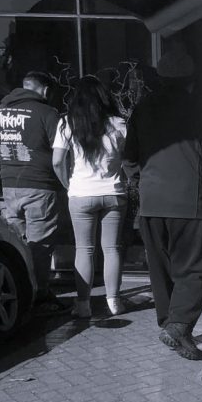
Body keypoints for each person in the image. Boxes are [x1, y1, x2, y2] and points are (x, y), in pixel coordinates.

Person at [122, 50, 202, 360]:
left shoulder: (142, 109)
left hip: (151, 203)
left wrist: (140, 180)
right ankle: (178, 326)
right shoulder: (200, 109)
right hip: (188, 201)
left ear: (160, 79)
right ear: (190, 80)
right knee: (193, 269)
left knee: (161, 271)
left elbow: (129, 156)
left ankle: (175, 328)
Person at [52, 75, 129, 319]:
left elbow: (56, 161)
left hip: (81, 193)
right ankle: (114, 301)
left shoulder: (67, 123)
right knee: (112, 249)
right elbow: (130, 158)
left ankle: (83, 305)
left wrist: (68, 184)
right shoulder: (119, 123)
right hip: (114, 193)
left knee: (84, 250)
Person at [0, 71, 68, 316]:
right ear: (46, 90)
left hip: (9, 186)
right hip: (40, 185)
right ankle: (39, 295)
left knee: (18, 244)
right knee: (40, 246)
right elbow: (61, 152)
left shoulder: (1, 112)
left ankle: (23, 294)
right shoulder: (48, 114)